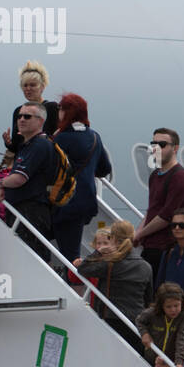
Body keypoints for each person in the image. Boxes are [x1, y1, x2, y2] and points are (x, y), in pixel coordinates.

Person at [50, 93, 112, 261]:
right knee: (71, 249)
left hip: (64, 201)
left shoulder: (62, 138)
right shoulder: (94, 137)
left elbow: (51, 168)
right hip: (86, 201)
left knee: (67, 256)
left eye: (61, 108)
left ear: (68, 112)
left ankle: (73, 283)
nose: (59, 112)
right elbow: (104, 168)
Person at [0, 100, 54, 259]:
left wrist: (1, 183)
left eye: (27, 116)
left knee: (31, 258)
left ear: (40, 121)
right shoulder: (28, 145)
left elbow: (19, 178)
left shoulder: (39, 145)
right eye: (19, 116)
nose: (21, 120)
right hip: (25, 210)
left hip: (31, 211)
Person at [77, 220, 153, 346]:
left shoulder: (110, 263)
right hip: (136, 322)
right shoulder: (146, 266)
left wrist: (99, 251)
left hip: (110, 318)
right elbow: (148, 298)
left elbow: (83, 269)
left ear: (114, 239)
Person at [133, 127, 184, 276]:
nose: (156, 148)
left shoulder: (180, 177)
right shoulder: (155, 175)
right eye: (153, 144)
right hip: (150, 246)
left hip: (166, 248)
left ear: (175, 148)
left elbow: (166, 216)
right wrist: (139, 232)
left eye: (162, 144)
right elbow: (152, 209)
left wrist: (140, 235)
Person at [135, 283, 184, 367]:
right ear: (161, 306)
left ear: (182, 302)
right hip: (150, 359)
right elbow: (139, 320)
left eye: (176, 305)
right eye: (168, 307)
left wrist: (179, 362)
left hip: (171, 363)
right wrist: (144, 333)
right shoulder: (152, 312)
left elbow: (183, 338)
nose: (173, 310)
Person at [1, 60, 59, 152]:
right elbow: (17, 147)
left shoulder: (51, 108)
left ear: (42, 86)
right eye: (25, 85)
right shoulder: (18, 111)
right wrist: (8, 143)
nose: (28, 89)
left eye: (32, 85)